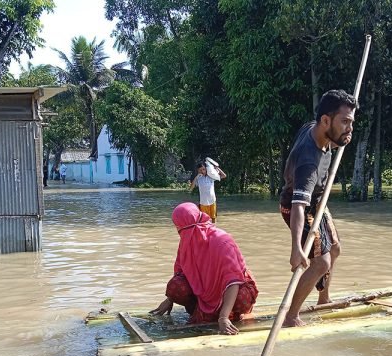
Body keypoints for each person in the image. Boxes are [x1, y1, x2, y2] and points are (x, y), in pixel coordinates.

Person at [279, 89, 357, 327]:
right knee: (320, 263)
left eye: (351, 122)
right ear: (326, 120)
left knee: (334, 249)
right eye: (344, 122)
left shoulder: (314, 128)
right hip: (297, 208)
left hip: (317, 201)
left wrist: (338, 138)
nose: (349, 129)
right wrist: (296, 249)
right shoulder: (308, 164)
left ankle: (323, 298)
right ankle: (291, 316)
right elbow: (298, 207)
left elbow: (329, 137)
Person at [150, 203, 258, 334]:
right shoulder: (187, 241)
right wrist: (170, 300)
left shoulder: (222, 241)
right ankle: (201, 309)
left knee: (241, 298)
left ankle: (229, 314)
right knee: (175, 286)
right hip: (203, 293)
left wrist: (223, 317)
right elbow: (180, 273)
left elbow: (233, 281)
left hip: (231, 291)